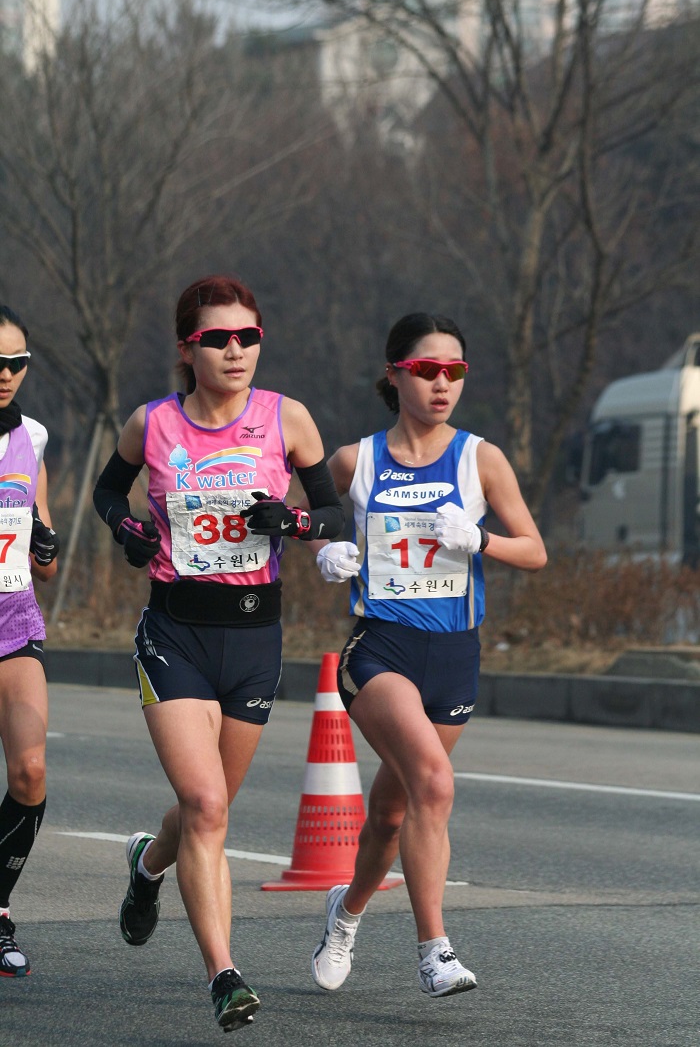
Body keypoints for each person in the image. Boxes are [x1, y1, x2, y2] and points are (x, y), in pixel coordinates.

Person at [92, 274, 343, 1032]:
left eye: (248, 337)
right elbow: (109, 493)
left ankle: (146, 866)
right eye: (217, 339)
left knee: (209, 811)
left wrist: (296, 523)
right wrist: (126, 530)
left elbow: (330, 509)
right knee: (205, 806)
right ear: (187, 348)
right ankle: (224, 974)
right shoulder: (153, 424)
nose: (235, 351)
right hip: (175, 634)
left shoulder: (286, 418)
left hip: (254, 638)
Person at [308, 312, 546, 999]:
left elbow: (535, 549)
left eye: (455, 372)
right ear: (395, 374)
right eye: (426, 370)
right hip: (380, 649)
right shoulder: (357, 461)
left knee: (391, 813)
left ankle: (345, 912)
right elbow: (301, 519)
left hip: (452, 654)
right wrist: (324, 551)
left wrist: (481, 540)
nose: (443, 384)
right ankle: (434, 951)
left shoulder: (480, 458)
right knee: (435, 786)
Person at [0, 305, 60, 977]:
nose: (7, 375)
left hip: (13, 625)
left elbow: (42, 555)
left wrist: (45, 542)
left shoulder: (32, 437)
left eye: (18, 363)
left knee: (30, 772)